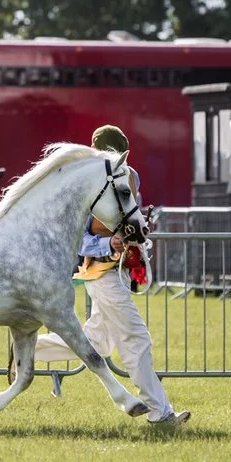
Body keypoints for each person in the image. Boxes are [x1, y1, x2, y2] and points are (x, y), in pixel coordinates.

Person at [30, 125, 191, 427]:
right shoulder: (86, 186)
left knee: (97, 342)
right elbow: (77, 238)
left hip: (118, 270)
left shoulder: (127, 177)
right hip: (100, 272)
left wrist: (139, 232)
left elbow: (127, 222)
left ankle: (28, 348)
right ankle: (161, 414)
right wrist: (108, 243)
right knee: (136, 338)